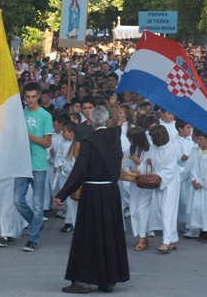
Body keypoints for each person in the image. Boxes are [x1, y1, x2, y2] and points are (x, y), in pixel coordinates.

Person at [55, 106, 129, 294]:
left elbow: (79, 172)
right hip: (111, 193)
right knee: (109, 235)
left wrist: (62, 194)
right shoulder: (115, 137)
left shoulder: (90, 142)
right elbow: (117, 127)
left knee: (88, 236)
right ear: (105, 120)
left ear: (92, 121)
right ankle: (108, 280)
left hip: (94, 193)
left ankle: (82, 280)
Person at [14, 82, 53, 252]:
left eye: (33, 96)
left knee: (38, 205)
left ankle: (33, 237)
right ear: (24, 97)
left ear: (39, 96)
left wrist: (29, 136)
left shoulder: (45, 116)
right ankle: (35, 224)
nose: (30, 100)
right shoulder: (20, 115)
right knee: (18, 200)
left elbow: (47, 142)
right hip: (22, 163)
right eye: (27, 97)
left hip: (38, 165)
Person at [147, 124, 180, 253]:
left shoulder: (171, 148)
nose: (151, 139)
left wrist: (159, 176)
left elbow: (171, 168)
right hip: (158, 181)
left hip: (169, 182)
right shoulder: (153, 148)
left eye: (153, 137)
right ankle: (172, 238)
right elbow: (151, 161)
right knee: (163, 210)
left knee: (168, 211)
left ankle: (166, 241)